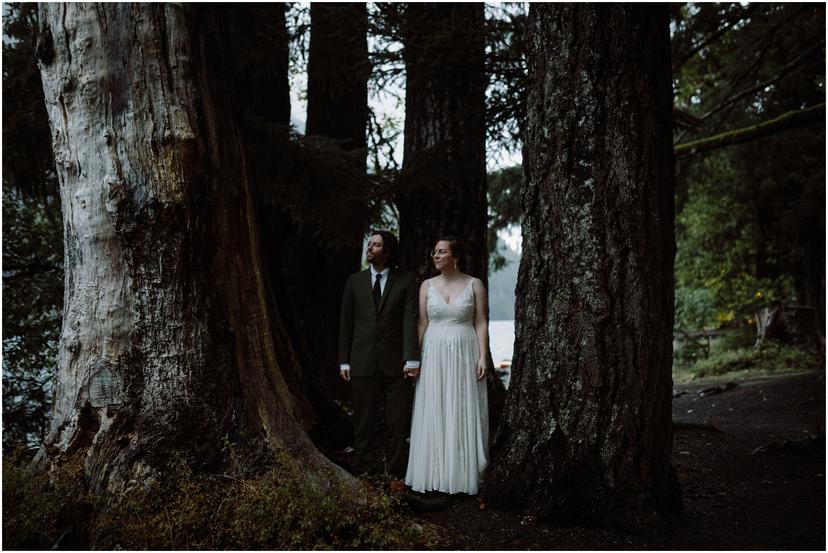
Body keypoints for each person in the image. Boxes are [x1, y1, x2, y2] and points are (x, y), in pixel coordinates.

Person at [405, 236, 489, 495]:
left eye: (442, 252)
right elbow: (421, 322)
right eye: (434, 252)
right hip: (433, 352)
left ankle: (461, 475)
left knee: (461, 405)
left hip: (465, 350)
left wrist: (483, 356)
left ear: (456, 257)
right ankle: (433, 473)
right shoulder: (426, 286)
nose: (436, 256)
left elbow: (481, 322)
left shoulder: (475, 284)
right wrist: (415, 359)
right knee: (435, 404)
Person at [338, 230, 420, 481]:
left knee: (396, 424)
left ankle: (394, 476)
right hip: (361, 362)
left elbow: (409, 320)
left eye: (376, 245)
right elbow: (346, 323)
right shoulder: (354, 282)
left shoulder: (405, 281)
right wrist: (344, 360)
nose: (370, 248)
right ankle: (363, 474)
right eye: (369, 244)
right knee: (363, 423)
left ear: (388, 251)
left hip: (397, 364)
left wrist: (411, 359)